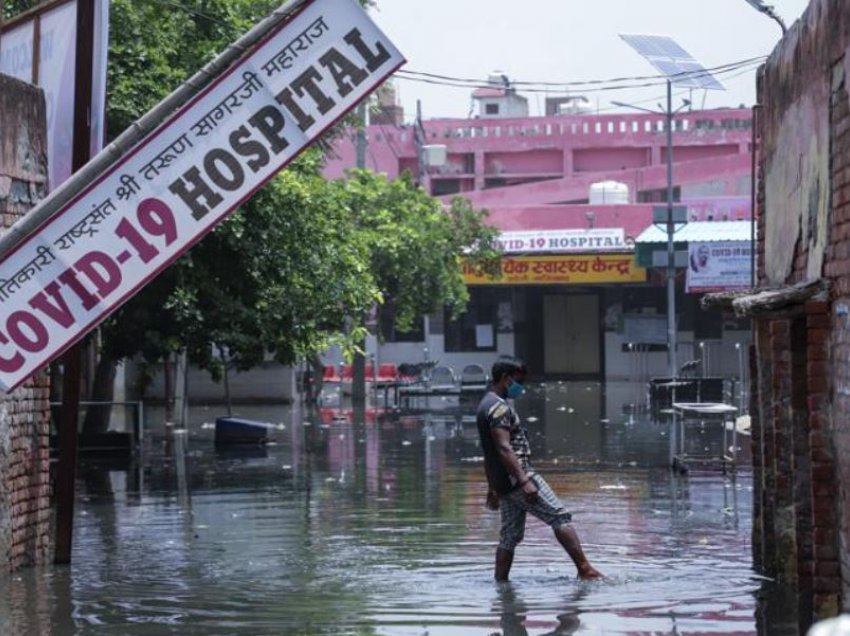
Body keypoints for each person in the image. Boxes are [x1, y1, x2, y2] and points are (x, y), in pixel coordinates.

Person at [477, 356, 603, 582]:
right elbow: (504, 448)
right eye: (518, 381)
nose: (521, 387)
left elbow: (489, 453)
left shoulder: (485, 404)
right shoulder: (498, 408)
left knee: (509, 537)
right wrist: (525, 481)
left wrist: (493, 487)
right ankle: (585, 570)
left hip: (503, 483)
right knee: (560, 517)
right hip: (519, 477)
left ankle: (501, 585)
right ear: (506, 379)